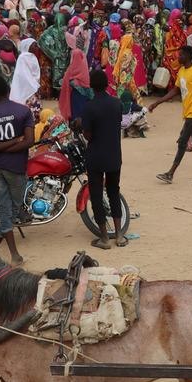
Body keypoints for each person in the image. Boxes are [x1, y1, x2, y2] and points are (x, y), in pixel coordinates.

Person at [0, 74, 34, 265]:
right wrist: (12, 142)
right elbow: (29, 141)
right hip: (16, 167)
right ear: (7, 91)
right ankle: (14, 255)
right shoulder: (23, 111)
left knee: (5, 210)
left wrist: (0, 147)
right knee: (11, 209)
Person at [149, 46, 192, 184]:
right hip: (188, 112)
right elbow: (175, 91)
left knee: (182, 141)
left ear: (187, 56)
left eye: (180, 55)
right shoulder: (181, 71)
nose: (178, 57)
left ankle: (170, 173)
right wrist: (157, 103)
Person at [78, 69, 126, 249]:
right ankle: (119, 235)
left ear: (91, 85)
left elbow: (88, 135)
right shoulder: (116, 103)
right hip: (114, 155)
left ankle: (104, 238)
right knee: (114, 191)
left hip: (96, 156)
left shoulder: (89, 107)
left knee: (96, 194)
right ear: (107, 84)